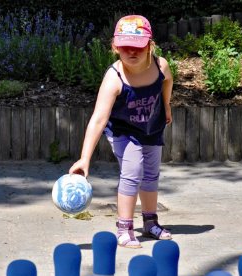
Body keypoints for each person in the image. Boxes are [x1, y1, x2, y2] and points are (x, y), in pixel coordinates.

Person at [69, 15, 173, 249]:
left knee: (151, 174)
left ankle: (150, 222)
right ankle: (124, 227)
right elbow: (98, 119)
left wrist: (166, 106)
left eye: (137, 46)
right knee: (132, 171)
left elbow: (167, 81)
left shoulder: (160, 65)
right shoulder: (114, 78)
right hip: (123, 131)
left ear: (150, 45)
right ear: (115, 47)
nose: (131, 52)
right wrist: (85, 159)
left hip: (151, 127)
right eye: (125, 47)